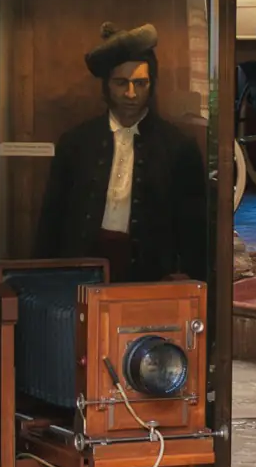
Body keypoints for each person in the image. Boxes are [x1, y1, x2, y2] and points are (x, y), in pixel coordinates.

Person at [34, 21, 208, 281]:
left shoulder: (178, 147)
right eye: (121, 83)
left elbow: (193, 230)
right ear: (106, 85)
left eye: (140, 83)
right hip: (81, 275)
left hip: (150, 278)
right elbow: (52, 220)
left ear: (152, 84)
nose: (130, 93)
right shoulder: (75, 143)